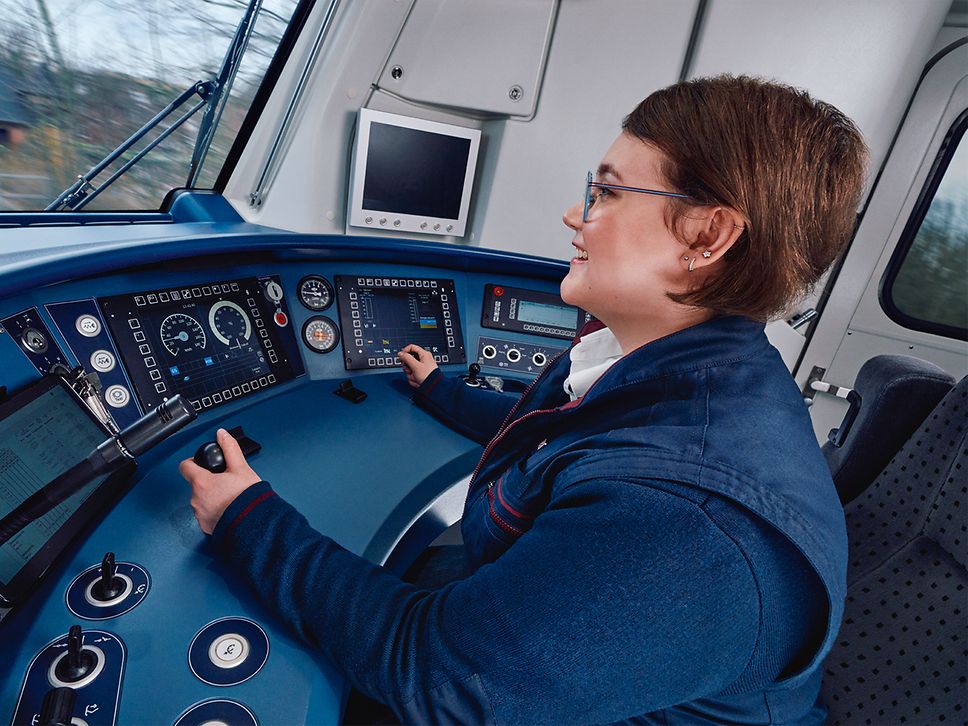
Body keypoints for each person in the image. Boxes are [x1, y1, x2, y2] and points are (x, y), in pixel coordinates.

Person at [181, 74, 868, 724]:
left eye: (609, 192)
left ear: (708, 237)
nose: (577, 213)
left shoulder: (689, 520)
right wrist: (441, 392)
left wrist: (247, 518)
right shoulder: (669, 368)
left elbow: (439, 679)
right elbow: (558, 439)